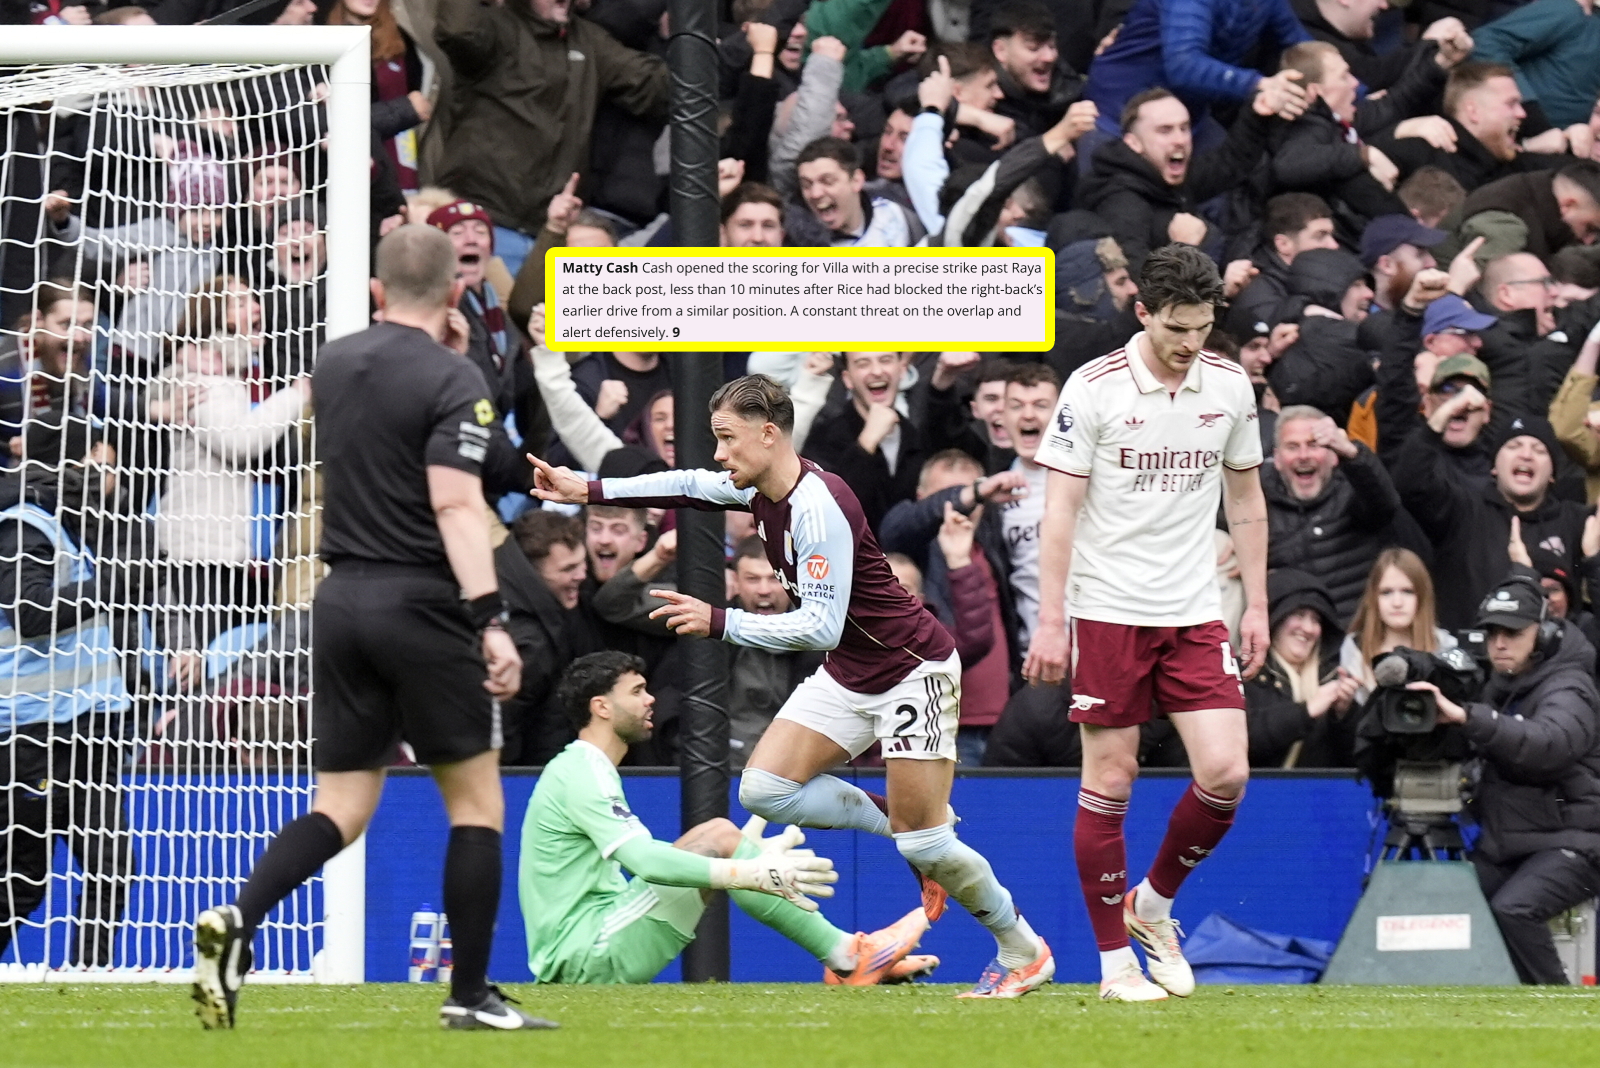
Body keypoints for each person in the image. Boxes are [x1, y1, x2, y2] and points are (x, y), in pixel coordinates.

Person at [529, 374, 1055, 998]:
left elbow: (820, 624)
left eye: (726, 438)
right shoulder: (761, 487)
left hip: (913, 666)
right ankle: (901, 828)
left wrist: (719, 619)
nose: (719, 454)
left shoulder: (815, 505)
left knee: (933, 842)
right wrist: (585, 488)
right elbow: (689, 484)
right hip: (854, 668)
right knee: (765, 790)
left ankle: (1023, 948)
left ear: (769, 433)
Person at [189, 226, 551, 1031]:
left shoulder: (334, 363)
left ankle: (239, 921)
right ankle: (471, 999)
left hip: (338, 598)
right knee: (475, 806)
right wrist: (490, 620)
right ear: (455, 293)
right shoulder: (450, 374)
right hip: (421, 604)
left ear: (377, 292)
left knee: (344, 806)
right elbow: (457, 500)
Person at [1023, 244, 1268, 1002]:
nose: (1189, 342)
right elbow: (1058, 508)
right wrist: (1049, 618)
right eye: (1175, 327)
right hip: (1107, 610)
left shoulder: (1228, 386)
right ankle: (1114, 965)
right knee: (1111, 779)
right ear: (1142, 313)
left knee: (1227, 773)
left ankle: (1152, 906)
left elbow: (1247, 500)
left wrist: (1257, 602)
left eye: (1201, 326)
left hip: (1194, 608)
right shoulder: (1093, 388)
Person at [519, 651, 941, 984]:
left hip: (592, 939)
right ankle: (850, 958)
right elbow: (645, 862)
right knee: (721, 837)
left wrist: (747, 860)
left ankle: (850, 958)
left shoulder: (583, 768)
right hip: (585, 954)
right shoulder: (583, 770)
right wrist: (749, 871)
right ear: (601, 707)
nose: (651, 699)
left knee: (719, 836)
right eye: (637, 691)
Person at [1412, 574, 1600, 985]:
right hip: (1512, 842)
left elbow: (1549, 744)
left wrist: (1469, 717)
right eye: (1492, 632)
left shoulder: (1570, 686)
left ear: (1545, 634)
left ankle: (1560, 1015)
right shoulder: (1501, 686)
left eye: (1512, 632)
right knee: (1453, 902)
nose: (1499, 642)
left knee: (1514, 909)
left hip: (1575, 842)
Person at [0, 461, 133, 968]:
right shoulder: (20, 525)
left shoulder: (64, 523)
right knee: (20, 880)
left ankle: (89, 984)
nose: (109, 468)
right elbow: (30, 613)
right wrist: (116, 586)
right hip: (33, 733)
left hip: (86, 726)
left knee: (111, 866)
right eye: (97, 455)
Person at [432, 0, 669, 275]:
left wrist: (719, 50)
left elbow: (656, 87)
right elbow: (457, 31)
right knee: (485, 315)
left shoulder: (588, 40)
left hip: (552, 233)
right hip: (486, 224)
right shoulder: (496, 28)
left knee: (547, 319)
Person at [1263, 407, 1401, 622]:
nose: (1303, 456)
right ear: (1277, 459)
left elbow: (1385, 502)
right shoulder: (1258, 504)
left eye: (1313, 445)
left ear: (1334, 456)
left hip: (1359, 635)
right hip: (1299, 640)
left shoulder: (1354, 492)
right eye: (1292, 447)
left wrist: (1352, 452)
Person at [802, 351, 928, 532]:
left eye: (885, 360)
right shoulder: (824, 438)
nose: (876, 371)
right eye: (863, 364)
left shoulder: (916, 437)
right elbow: (827, 514)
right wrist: (865, 445)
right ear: (848, 379)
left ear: (902, 370)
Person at [1245, 568, 1357, 768]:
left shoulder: (1332, 680)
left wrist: (1344, 716)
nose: (1308, 628)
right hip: (1252, 797)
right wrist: (1307, 711)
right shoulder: (1244, 674)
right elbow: (1240, 742)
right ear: (1275, 618)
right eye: (1298, 614)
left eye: (1316, 619)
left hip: (1316, 798)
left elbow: (1354, 765)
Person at [1339, 548, 1459, 707]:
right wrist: (1343, 708)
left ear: (1422, 597)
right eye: (1386, 592)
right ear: (1374, 598)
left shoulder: (1446, 647)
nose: (1397, 603)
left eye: (1407, 592)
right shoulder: (1355, 649)